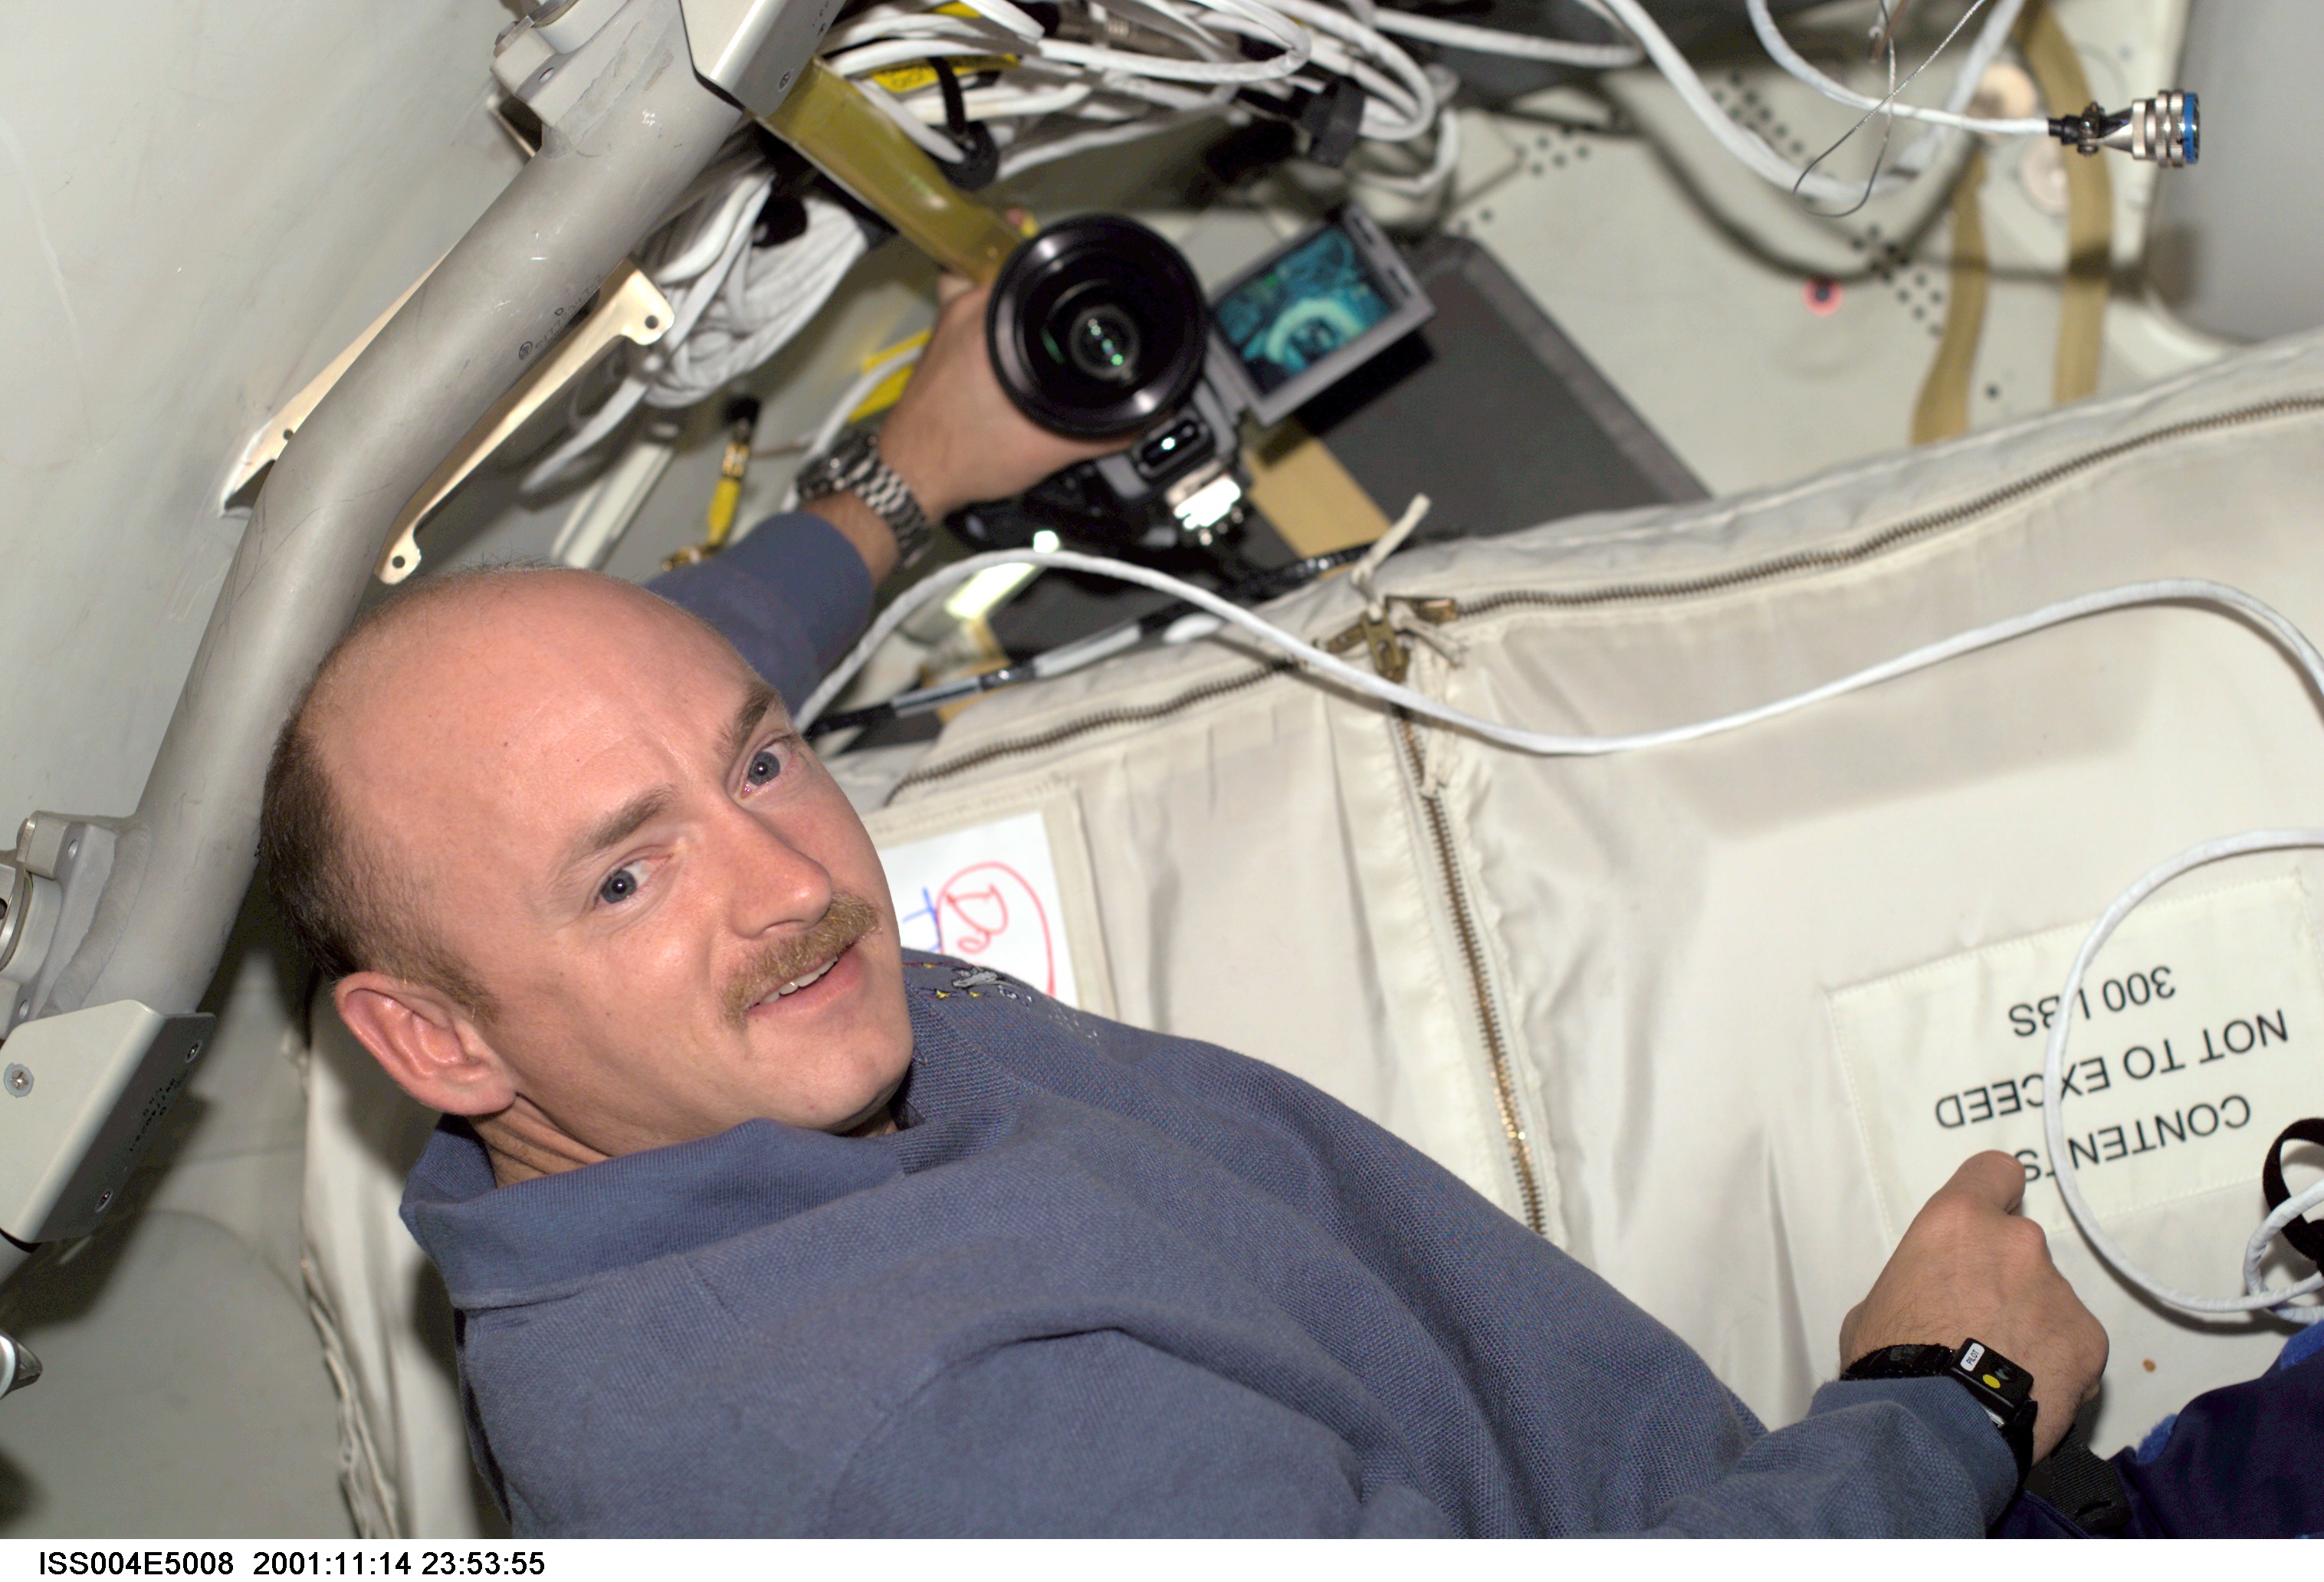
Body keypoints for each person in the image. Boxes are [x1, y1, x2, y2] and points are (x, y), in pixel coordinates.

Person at [258, 278, 2119, 1537]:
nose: (795, 881)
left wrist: (918, 472)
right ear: (431, 1037)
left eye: (761, 766)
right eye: (628, 875)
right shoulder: (927, 1440)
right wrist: (1936, 1402)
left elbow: (646, 694)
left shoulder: (594, 1133)